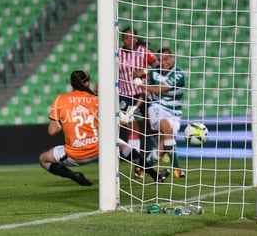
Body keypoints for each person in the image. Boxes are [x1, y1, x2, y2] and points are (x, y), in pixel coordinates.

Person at [39, 69, 170, 186]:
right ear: (87, 83)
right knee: (122, 145)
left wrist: (63, 120)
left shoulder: (60, 100)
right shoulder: (97, 100)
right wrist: (130, 118)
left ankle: (74, 176)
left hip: (74, 155)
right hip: (100, 149)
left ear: (71, 84)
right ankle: (155, 175)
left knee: (43, 159)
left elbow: (52, 131)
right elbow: (120, 122)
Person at [135, 47, 186, 178]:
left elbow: (160, 89)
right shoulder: (154, 72)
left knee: (163, 148)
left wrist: (141, 84)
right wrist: (137, 105)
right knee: (167, 131)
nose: (163, 62)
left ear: (173, 58)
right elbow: (148, 91)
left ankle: (141, 168)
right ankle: (177, 169)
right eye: (160, 60)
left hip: (174, 112)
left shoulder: (179, 74)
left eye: (166, 59)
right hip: (156, 108)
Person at [118, 27, 160, 178]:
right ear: (123, 40)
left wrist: (145, 72)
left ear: (136, 38)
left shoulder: (144, 51)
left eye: (132, 37)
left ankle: (158, 148)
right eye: (126, 38)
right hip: (125, 95)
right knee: (133, 127)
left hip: (143, 93)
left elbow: (159, 67)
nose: (129, 40)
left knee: (151, 127)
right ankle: (138, 165)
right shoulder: (118, 54)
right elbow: (114, 71)